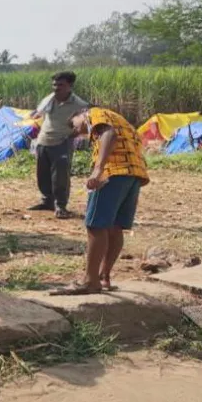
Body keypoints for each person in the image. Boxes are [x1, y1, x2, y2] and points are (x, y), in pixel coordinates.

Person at [50, 107, 149, 295]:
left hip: (113, 172)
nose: (78, 131)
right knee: (114, 227)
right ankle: (104, 276)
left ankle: (90, 280)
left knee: (95, 225)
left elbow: (108, 134)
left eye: (75, 125)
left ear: (82, 113)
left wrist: (98, 168)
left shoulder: (95, 114)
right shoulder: (123, 121)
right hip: (133, 174)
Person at [28, 71, 89, 219]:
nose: (56, 88)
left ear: (70, 85)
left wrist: (70, 136)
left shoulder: (79, 105)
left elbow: (85, 125)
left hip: (61, 143)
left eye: (60, 85)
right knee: (43, 174)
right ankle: (47, 201)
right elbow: (36, 114)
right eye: (54, 84)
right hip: (43, 141)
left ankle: (61, 206)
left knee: (60, 177)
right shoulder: (48, 100)